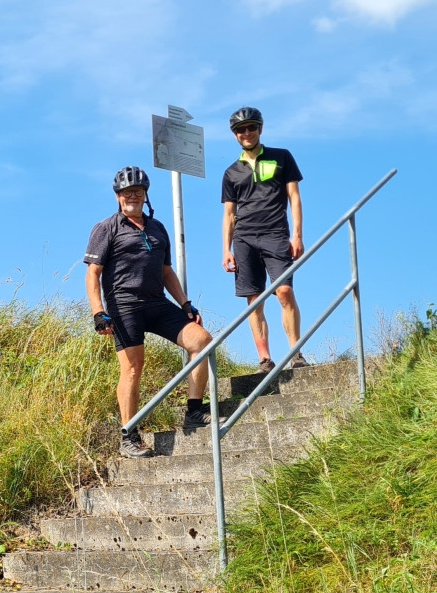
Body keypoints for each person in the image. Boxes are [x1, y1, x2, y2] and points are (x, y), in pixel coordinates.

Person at [85, 166, 214, 459]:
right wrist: (98, 312)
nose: (133, 196)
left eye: (138, 192)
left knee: (202, 341)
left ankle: (194, 411)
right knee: (132, 368)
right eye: (127, 192)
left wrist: (184, 303)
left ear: (145, 195)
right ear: (118, 196)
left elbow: (167, 271)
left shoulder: (157, 228)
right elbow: (93, 274)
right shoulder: (106, 228)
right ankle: (129, 435)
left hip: (157, 303)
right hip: (124, 305)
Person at [220, 107, 307, 375]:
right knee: (254, 300)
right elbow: (229, 214)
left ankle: (295, 353)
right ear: (235, 135)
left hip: (276, 234)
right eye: (240, 130)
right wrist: (226, 249)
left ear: (260, 128)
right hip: (244, 239)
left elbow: (294, 197)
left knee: (284, 292)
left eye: (251, 127)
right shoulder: (231, 172)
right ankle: (265, 359)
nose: (246, 133)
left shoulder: (282, 157)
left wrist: (297, 234)